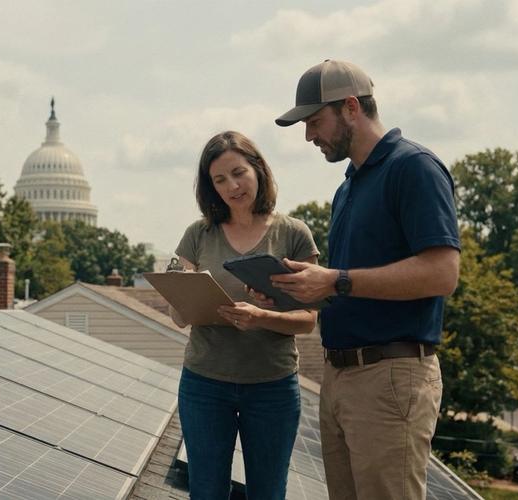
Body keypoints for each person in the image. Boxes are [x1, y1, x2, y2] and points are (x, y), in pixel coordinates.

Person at [272, 60, 460, 499]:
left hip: (390, 377)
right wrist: (297, 288)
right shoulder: (348, 186)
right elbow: (351, 284)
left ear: (351, 107)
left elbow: (442, 272)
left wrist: (335, 281)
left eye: (315, 121)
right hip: (340, 379)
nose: (309, 136)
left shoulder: (414, 167)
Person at [170, 130, 320, 500]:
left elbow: (308, 320)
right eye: (219, 180)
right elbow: (178, 317)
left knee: (268, 492)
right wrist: (183, 293)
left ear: (258, 169)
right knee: (205, 492)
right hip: (204, 383)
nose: (232, 186)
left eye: (238, 173)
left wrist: (261, 317)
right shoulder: (198, 234)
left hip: (272, 386)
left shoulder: (294, 234)